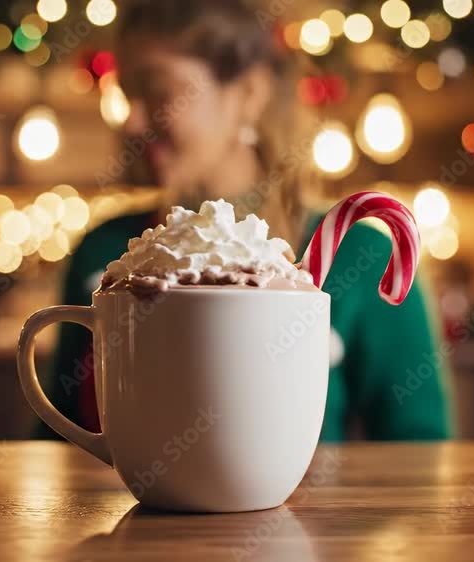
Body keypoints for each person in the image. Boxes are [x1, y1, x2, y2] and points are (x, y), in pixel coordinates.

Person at [39, 0, 452, 442]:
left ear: (249, 94)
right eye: (126, 96)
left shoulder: (358, 255)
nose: (134, 121)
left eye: (158, 93)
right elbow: (55, 439)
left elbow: (420, 445)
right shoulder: (104, 252)